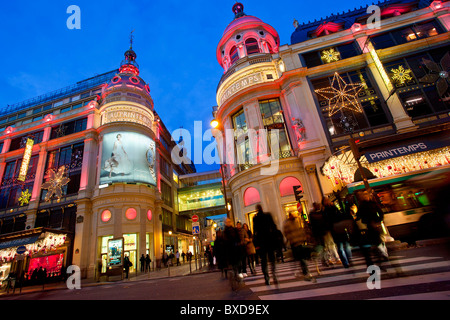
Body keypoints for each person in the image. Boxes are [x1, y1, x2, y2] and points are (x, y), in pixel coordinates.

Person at [356, 190, 389, 267]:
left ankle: (381, 253)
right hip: (374, 223)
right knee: (379, 239)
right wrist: (379, 220)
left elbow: (359, 216)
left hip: (370, 224)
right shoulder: (372, 204)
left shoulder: (362, 206)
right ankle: (383, 253)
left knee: (377, 240)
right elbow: (380, 212)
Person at [283, 212, 316, 282]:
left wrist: (303, 237)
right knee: (301, 258)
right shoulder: (288, 224)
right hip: (295, 243)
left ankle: (305, 271)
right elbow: (286, 233)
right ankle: (305, 271)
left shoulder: (296, 221)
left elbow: (300, 230)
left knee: (301, 258)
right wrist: (292, 238)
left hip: (299, 242)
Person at [253, 205, 277, 285]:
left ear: (257, 210)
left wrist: (256, 244)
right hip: (269, 240)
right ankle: (274, 274)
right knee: (272, 259)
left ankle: (267, 278)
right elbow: (274, 227)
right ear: (262, 208)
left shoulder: (255, 218)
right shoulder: (268, 215)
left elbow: (255, 232)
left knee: (264, 261)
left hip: (261, 242)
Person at [321, 197, 341, 264]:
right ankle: (334, 258)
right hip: (328, 229)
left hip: (334, 227)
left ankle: (335, 258)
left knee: (333, 244)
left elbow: (337, 214)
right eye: (325, 201)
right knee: (330, 244)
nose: (327, 202)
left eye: (327, 200)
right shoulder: (323, 210)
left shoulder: (332, 207)